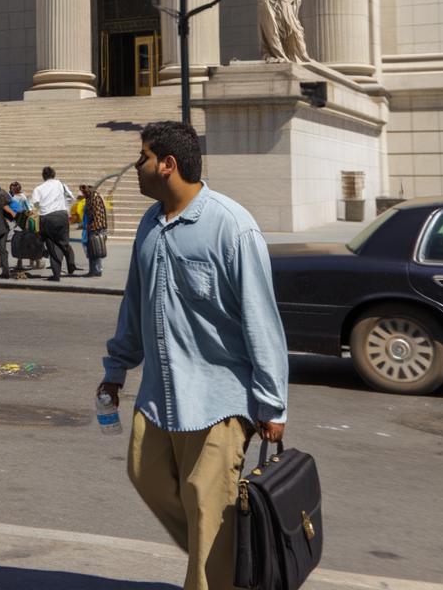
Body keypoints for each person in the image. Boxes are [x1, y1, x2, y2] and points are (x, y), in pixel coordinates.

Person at [98, 120, 289, 590]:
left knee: (208, 505)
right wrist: (116, 370)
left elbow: (261, 321)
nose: (135, 166)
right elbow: (134, 306)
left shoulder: (232, 227)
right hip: (160, 397)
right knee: (145, 472)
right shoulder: (150, 224)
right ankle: (224, 551)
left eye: (142, 157)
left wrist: (272, 404)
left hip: (219, 401)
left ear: (168, 164)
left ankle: (215, 563)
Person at [29, 166, 77, 281]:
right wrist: (66, 208)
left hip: (46, 218)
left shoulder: (38, 189)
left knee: (52, 246)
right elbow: (71, 197)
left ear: (43, 176)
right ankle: (71, 262)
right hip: (61, 215)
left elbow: (33, 206)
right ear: (54, 174)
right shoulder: (60, 184)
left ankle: (56, 275)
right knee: (64, 242)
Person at [82, 183, 111, 277]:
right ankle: (93, 270)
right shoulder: (90, 197)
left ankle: (97, 270)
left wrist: (92, 227)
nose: (83, 194)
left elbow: (96, 214)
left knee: (96, 250)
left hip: (97, 228)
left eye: (84, 191)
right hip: (94, 227)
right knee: (92, 251)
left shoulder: (94, 198)